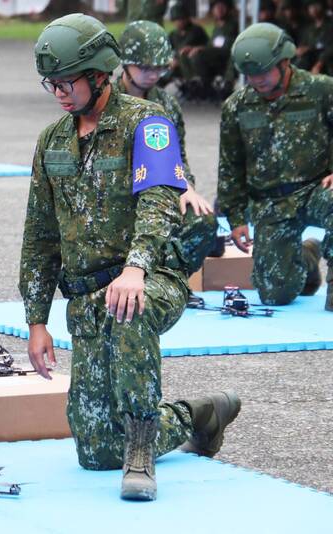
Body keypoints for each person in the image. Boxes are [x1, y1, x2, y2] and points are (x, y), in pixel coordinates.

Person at [22, 14, 240, 501]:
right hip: (88, 301)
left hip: (150, 278)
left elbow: (160, 202)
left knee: (129, 308)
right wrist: (36, 320)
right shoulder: (51, 141)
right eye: (50, 83)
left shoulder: (149, 124)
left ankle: (142, 453)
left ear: (99, 73)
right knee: (95, 449)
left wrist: (136, 267)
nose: (57, 92)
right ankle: (196, 415)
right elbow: (39, 235)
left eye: (66, 81)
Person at [218, 22, 333, 311]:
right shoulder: (237, 107)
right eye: (250, 74)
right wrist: (235, 219)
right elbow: (230, 167)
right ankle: (307, 256)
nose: (257, 80)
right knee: (275, 294)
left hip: (317, 190)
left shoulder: (322, 91)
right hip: (272, 203)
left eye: (263, 71)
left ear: (285, 62)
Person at [117, 20, 218, 285]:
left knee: (204, 221)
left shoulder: (167, 104)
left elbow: (178, 156)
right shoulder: (107, 100)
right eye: (145, 67)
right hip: (116, 195)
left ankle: (168, 281)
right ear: (125, 63)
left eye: (160, 67)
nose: (153, 74)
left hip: (159, 194)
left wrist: (187, 187)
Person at [186, 0, 239, 101]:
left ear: (228, 8)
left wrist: (202, 49)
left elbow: (228, 47)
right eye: (216, 7)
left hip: (227, 58)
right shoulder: (217, 27)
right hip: (216, 59)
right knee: (192, 54)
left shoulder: (234, 25)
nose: (219, 10)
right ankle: (202, 85)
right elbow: (212, 44)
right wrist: (195, 48)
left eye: (222, 6)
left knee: (199, 55)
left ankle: (209, 85)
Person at [167, 3, 209, 90]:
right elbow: (166, 50)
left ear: (187, 18)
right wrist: (171, 59)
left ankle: (192, 84)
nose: (179, 22)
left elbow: (208, 46)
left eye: (181, 19)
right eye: (176, 20)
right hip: (176, 65)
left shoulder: (196, 31)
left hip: (193, 65)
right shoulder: (173, 34)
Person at [294, 0, 333, 74]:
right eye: (311, 7)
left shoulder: (330, 25)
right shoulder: (308, 29)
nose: (314, 9)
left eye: (316, 5)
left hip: (326, 61)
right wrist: (299, 50)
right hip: (311, 60)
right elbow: (303, 45)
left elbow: (330, 47)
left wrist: (319, 64)